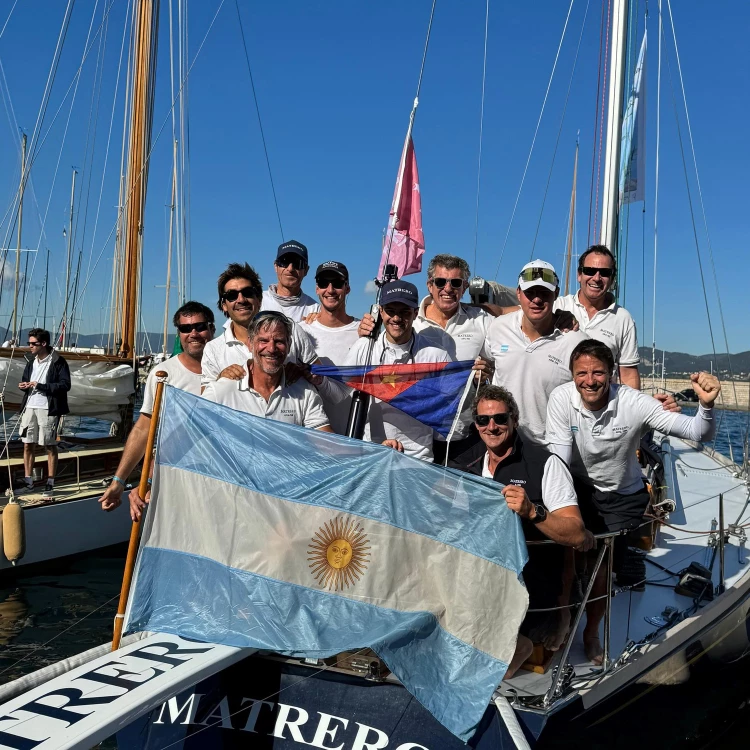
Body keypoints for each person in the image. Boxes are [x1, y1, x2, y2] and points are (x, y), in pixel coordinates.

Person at [545, 339, 720, 664]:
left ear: (612, 375)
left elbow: (698, 432)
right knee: (566, 559)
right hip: (579, 487)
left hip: (620, 497)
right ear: (572, 375)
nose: (589, 380)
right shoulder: (561, 399)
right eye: (581, 373)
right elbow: (559, 458)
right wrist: (566, 518)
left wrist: (706, 406)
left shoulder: (633, 403)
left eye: (598, 372)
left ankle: (591, 632)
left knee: (600, 571)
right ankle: (562, 617)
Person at [449, 385, 593, 677]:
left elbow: (577, 535)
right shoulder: (464, 463)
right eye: (483, 420)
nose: (492, 426)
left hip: (530, 590)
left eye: (500, 419)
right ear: (475, 424)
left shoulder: (544, 464)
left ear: (514, 419)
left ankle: (516, 646)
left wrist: (532, 511)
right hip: (477, 578)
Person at [99, 301, 215, 520]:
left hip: (219, 478)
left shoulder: (228, 371)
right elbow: (144, 429)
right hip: (176, 479)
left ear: (212, 329)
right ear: (179, 334)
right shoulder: (163, 374)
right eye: (185, 328)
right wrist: (119, 481)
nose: (193, 333)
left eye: (200, 326)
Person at [344, 280, 451, 462]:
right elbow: (339, 393)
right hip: (371, 456)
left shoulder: (437, 356)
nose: (396, 318)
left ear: (416, 313)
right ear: (381, 311)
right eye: (391, 311)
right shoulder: (364, 348)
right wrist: (316, 378)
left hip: (419, 461)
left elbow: (447, 414)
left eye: (404, 312)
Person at [485, 260, 588, 446]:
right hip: (503, 443)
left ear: (556, 294)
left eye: (544, 293)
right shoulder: (497, 328)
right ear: (518, 293)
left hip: (551, 448)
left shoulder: (576, 342)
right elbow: (486, 363)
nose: (537, 299)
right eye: (530, 292)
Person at [202, 311, 332, 431]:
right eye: (263, 341)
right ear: (250, 344)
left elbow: (325, 441)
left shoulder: (304, 391)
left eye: (279, 341)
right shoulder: (222, 389)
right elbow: (193, 429)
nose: (271, 348)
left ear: (289, 345)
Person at [201, 262, 317, 388]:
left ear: (259, 298)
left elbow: (322, 380)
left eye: (248, 292)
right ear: (224, 305)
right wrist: (220, 379)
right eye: (232, 295)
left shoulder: (293, 330)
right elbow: (204, 400)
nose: (241, 300)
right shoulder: (212, 349)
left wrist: (304, 373)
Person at [554, 245, 641, 389]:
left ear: (612, 278)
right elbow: (523, 315)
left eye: (605, 273)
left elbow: (629, 376)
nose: (597, 278)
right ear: (579, 275)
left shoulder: (623, 319)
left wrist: (637, 409)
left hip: (599, 408)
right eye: (590, 271)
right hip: (557, 405)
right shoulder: (557, 306)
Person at [298, 261, 360, 434]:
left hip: (355, 438)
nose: (330, 290)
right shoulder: (301, 330)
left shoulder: (364, 332)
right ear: (317, 288)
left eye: (338, 283)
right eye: (324, 283)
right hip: (312, 439)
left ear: (347, 288)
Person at [17, 329, 71, 497]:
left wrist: (40, 386)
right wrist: (24, 385)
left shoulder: (58, 362)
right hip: (29, 406)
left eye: (33, 343)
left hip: (48, 408)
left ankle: (50, 483)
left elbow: (65, 385)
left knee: (49, 445)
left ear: (44, 344)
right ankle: (29, 482)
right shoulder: (30, 361)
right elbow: (26, 380)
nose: (30, 346)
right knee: (27, 444)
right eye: (29, 343)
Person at [261, 240, 319, 322]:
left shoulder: (315, 309)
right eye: (284, 262)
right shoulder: (257, 301)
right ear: (275, 266)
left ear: (306, 270)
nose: (290, 269)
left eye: (297, 263)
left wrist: (320, 321)